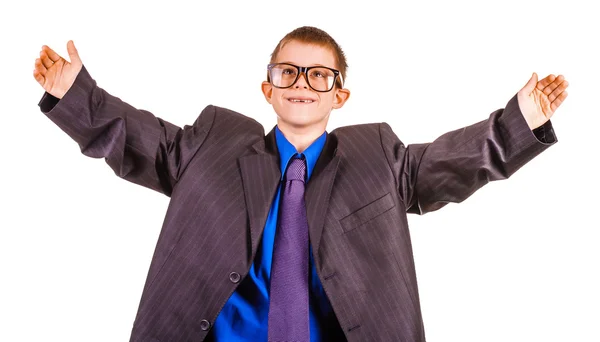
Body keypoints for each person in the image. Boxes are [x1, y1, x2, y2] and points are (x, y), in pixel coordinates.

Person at [33, 26, 568, 342]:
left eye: (319, 74)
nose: (302, 83)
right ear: (268, 88)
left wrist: (518, 120)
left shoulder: (378, 156)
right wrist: (74, 93)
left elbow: (458, 162)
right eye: (288, 72)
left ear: (341, 95)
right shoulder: (211, 143)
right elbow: (133, 136)